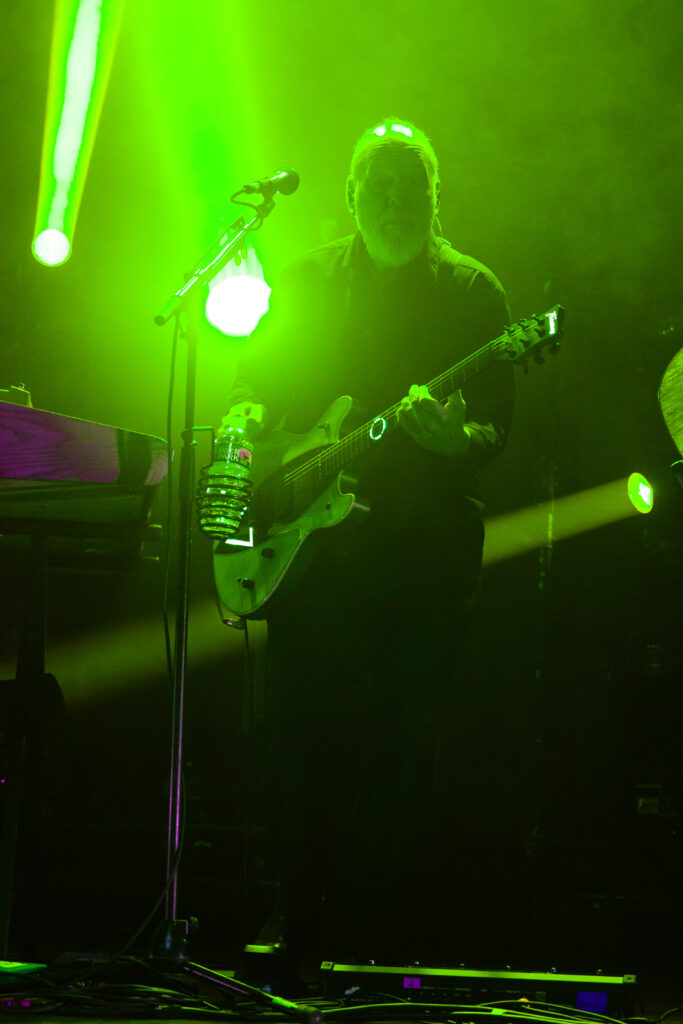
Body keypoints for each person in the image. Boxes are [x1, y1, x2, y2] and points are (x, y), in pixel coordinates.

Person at [223, 118, 515, 964]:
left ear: (434, 197)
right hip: (313, 560)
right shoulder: (307, 279)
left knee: (398, 750)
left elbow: (497, 429)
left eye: (409, 188)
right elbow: (258, 384)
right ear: (350, 197)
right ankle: (299, 922)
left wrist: (454, 442)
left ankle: (375, 942)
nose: (393, 203)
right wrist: (242, 421)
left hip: (419, 561)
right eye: (377, 188)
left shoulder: (473, 295)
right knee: (299, 737)